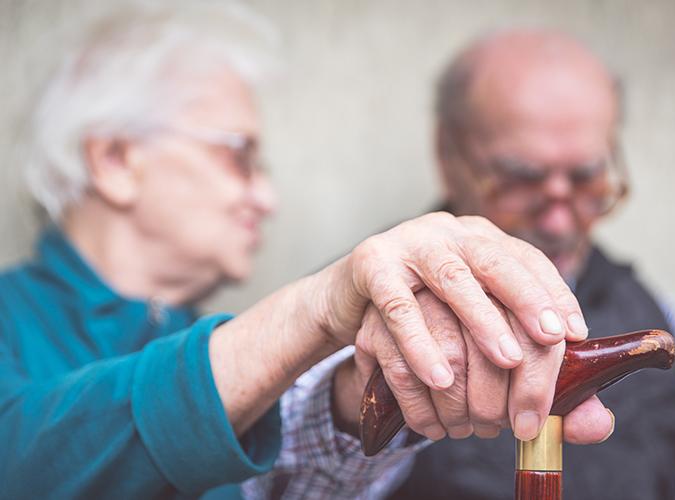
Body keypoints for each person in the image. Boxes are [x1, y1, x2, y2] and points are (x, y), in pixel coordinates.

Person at [0, 5, 615, 499]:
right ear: (113, 161)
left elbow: (283, 477)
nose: (266, 197)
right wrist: (316, 307)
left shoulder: (208, 346)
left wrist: (368, 387)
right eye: (238, 156)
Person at [388, 29, 675, 500]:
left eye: (586, 178)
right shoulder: (378, 310)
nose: (559, 222)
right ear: (448, 155)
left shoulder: (652, 312)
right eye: (522, 178)